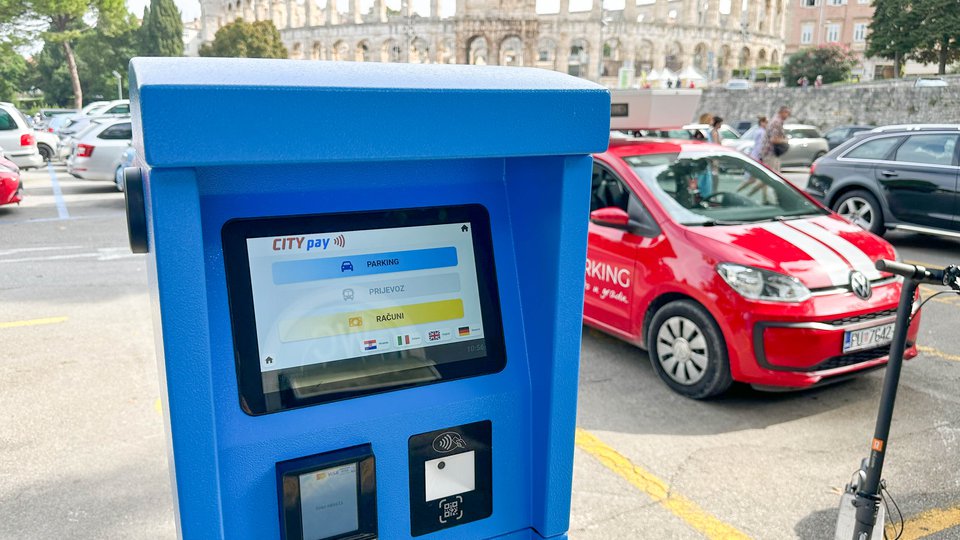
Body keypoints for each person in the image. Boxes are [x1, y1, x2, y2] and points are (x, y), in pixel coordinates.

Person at [761, 106, 790, 173]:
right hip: (770, 153)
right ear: (782, 112)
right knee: (772, 177)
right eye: (787, 113)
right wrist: (785, 141)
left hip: (772, 153)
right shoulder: (776, 122)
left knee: (772, 177)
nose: (788, 115)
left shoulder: (777, 121)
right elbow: (773, 139)